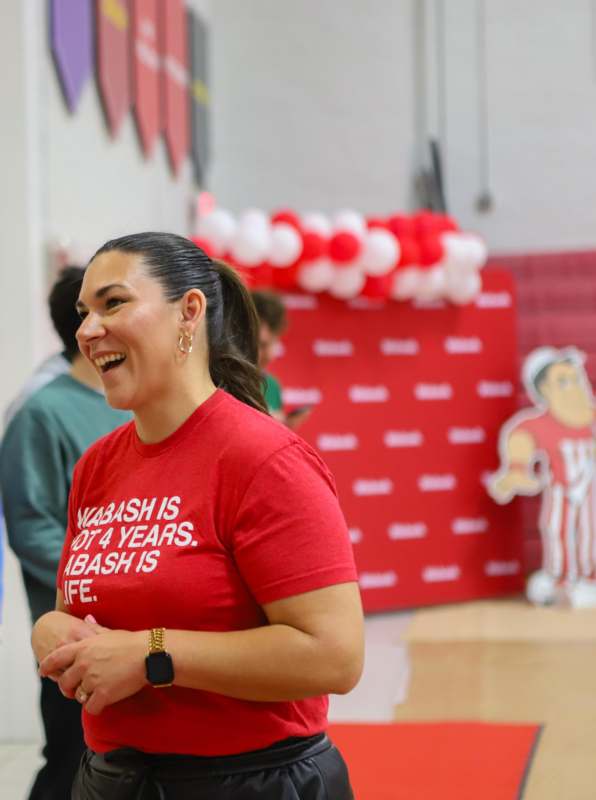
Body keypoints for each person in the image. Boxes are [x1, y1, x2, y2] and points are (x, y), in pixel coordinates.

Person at [32, 232, 364, 799]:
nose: (87, 330)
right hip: (113, 779)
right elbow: (80, 612)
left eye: (114, 303)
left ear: (189, 311)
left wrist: (154, 654)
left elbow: (335, 655)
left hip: (251, 784)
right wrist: (51, 633)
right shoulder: (97, 466)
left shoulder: (264, 459)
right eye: (84, 312)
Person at [1, 266, 131, 800]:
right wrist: (110, 589)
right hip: (75, 634)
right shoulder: (42, 413)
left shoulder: (132, 404)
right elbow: (33, 528)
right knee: (72, 763)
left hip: (134, 635)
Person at [489, 346, 596, 607]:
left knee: (588, 535)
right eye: (563, 381)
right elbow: (521, 441)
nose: (573, 387)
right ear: (545, 390)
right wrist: (515, 473)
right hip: (562, 495)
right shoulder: (540, 425)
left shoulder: (590, 420)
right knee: (560, 532)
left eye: (575, 378)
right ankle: (562, 579)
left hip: (591, 497)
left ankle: (587, 576)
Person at [251, 288, 312, 430]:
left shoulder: (272, 385)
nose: (269, 355)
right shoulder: (221, 382)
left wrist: (284, 429)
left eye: (273, 343)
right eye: (262, 344)